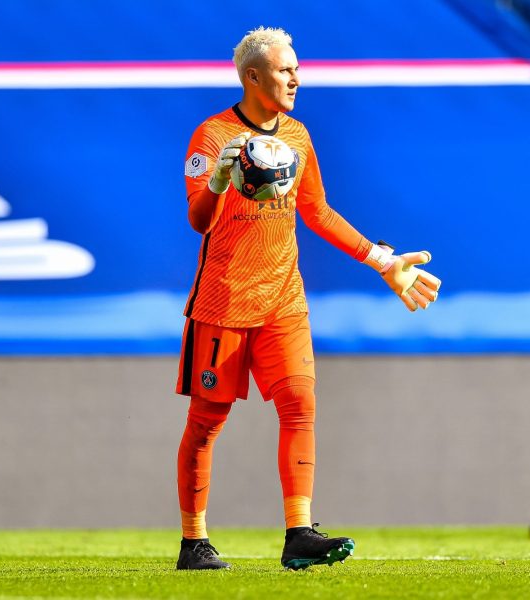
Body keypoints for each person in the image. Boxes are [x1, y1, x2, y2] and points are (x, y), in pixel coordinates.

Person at [175, 26, 441, 571]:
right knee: (207, 421)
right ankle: (193, 541)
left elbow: (316, 211)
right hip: (224, 302)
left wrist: (384, 261)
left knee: (300, 406)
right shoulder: (211, 137)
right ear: (253, 77)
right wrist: (223, 176)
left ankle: (299, 532)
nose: (296, 77)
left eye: (297, 68)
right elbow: (199, 220)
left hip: (283, 300)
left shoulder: (296, 136)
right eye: (284, 69)